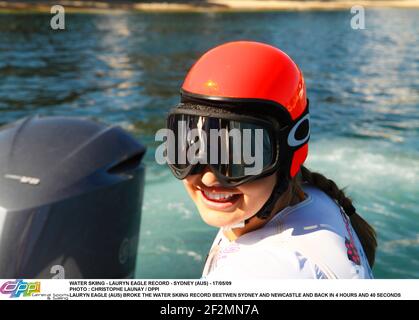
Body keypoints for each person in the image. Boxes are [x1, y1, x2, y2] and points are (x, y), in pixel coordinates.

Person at [165, 41, 377, 279]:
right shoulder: (317, 198)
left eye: (242, 153)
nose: (208, 176)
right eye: (192, 146)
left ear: (289, 151)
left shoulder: (262, 272)